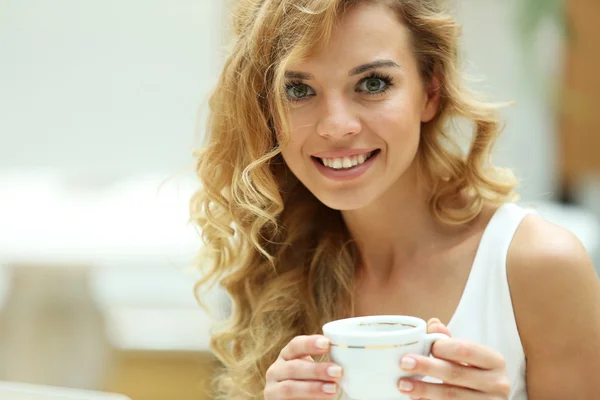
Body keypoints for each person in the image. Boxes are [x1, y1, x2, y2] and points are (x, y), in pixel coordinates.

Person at [190, 0, 600, 399]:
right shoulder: (274, 261)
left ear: (430, 91)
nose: (336, 126)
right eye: (298, 89)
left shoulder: (539, 266)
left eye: (372, 84)